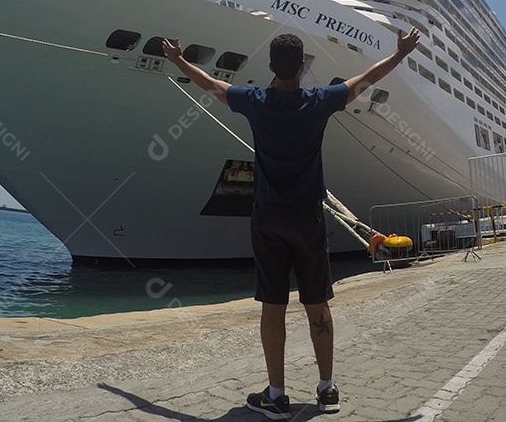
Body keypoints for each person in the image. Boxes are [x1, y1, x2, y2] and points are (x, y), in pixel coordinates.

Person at [163, 27, 419, 420]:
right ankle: (326, 388)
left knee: (273, 306)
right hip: (308, 217)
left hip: (268, 219)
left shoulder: (255, 102)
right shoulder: (319, 102)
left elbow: (212, 85)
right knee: (318, 305)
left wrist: (179, 60)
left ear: (270, 67)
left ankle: (277, 396)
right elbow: (367, 79)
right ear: (302, 68)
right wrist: (400, 54)